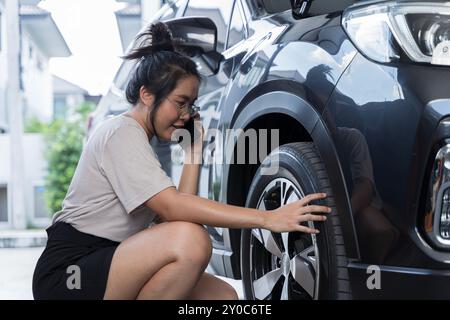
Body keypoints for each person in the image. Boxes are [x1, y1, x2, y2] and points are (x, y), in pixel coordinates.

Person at [32, 22, 330, 300]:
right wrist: (267, 218)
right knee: (191, 241)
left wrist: (194, 153)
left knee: (224, 297)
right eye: (180, 102)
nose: (186, 114)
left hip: (113, 259)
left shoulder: (139, 142)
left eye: (191, 104)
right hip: (70, 271)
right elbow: (174, 209)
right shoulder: (120, 132)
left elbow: (175, 216)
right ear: (147, 95)